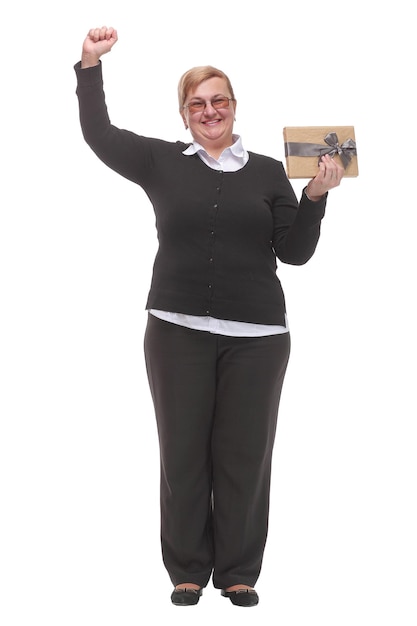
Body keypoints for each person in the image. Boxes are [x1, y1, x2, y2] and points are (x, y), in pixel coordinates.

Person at [74, 26, 344, 608]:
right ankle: (188, 569)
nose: (209, 110)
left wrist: (315, 199)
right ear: (184, 115)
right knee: (183, 452)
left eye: (219, 100)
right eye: (197, 103)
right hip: (175, 333)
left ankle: (240, 570)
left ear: (234, 107)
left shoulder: (271, 171)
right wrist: (90, 65)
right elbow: (98, 133)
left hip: (259, 339)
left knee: (245, 455)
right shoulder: (160, 161)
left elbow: (293, 253)